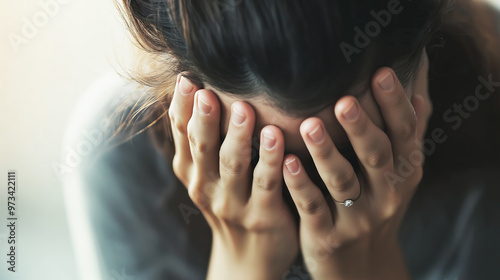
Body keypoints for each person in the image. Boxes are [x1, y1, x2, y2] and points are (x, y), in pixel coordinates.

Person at [63, 0, 500, 279]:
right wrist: (243, 269)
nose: (303, 188)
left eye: (347, 152)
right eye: (253, 150)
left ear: (422, 64)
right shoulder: (120, 153)